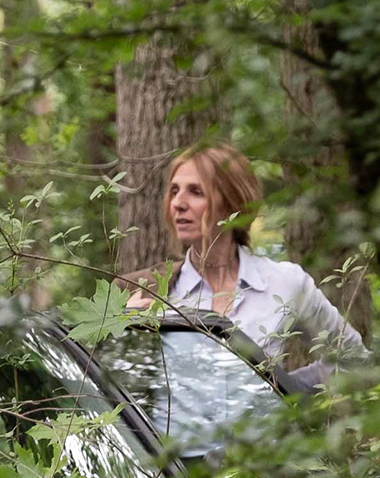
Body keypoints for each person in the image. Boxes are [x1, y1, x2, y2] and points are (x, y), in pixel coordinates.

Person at [126, 143, 365, 377]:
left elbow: (355, 359)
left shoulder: (284, 282)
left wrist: (289, 391)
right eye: (174, 191)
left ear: (233, 203)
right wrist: (126, 329)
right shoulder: (146, 291)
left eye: (196, 192)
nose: (178, 203)